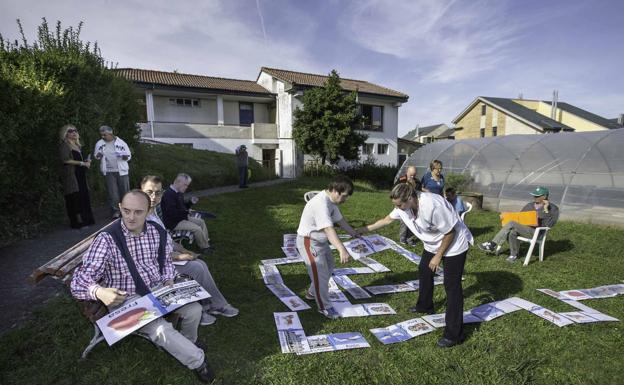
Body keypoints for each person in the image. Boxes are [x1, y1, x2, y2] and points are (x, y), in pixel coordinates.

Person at [70, 190, 215, 382]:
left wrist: (169, 278)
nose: (131, 217)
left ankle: (188, 343)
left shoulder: (156, 231)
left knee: (195, 310)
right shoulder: (107, 239)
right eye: (126, 210)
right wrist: (99, 291)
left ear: (149, 212)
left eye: (138, 212)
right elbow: (78, 281)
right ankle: (198, 361)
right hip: (127, 298)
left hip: (158, 289)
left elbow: (165, 262)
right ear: (120, 208)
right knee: (159, 329)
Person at [358, 183, 473, 348]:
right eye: (395, 205)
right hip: (432, 243)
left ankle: (455, 335)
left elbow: (450, 232)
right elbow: (386, 220)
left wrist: (438, 257)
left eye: (399, 205)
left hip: (454, 244)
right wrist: (363, 229)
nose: (397, 208)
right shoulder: (403, 207)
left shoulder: (433, 204)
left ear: (411, 198)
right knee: (424, 270)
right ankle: (425, 306)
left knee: (452, 285)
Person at [141, 175, 239, 326]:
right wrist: (180, 257)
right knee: (197, 267)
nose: (154, 197)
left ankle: (208, 305)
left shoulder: (152, 213)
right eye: (149, 192)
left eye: (158, 192)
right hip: (157, 266)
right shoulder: (140, 218)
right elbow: (149, 255)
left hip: (168, 257)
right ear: (141, 191)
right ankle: (208, 307)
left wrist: (184, 249)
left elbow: (168, 240)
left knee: (200, 264)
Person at [296, 175, 360, 319]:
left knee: (329, 267)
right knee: (320, 275)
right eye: (344, 196)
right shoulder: (321, 204)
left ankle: (312, 293)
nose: (346, 199)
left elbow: (340, 220)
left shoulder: (332, 202)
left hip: (321, 241)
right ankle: (324, 307)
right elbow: (329, 229)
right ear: (335, 191)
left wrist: (353, 232)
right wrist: (342, 249)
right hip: (308, 241)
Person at [478, 186, 559, 263]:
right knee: (512, 231)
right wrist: (507, 217)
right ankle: (514, 254)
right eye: (534, 195)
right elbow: (520, 217)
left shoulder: (553, 208)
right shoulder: (529, 205)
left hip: (537, 232)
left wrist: (546, 210)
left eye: (537, 196)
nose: (534, 197)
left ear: (544, 197)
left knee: (512, 223)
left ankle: (492, 244)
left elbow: (549, 224)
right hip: (524, 229)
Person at [161, 173, 213, 254]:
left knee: (201, 222)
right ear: (178, 182)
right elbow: (172, 213)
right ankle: (204, 248)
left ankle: (206, 243)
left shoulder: (178, 192)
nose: (186, 187)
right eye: (185, 185)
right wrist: (186, 212)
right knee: (197, 229)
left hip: (181, 218)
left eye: (187, 185)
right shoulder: (169, 194)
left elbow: (182, 206)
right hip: (173, 223)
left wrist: (190, 202)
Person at [59, 124, 95, 229]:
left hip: (81, 174)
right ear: (65, 133)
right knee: (74, 198)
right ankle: (77, 223)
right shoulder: (64, 145)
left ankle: (87, 220)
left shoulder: (78, 145)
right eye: (70, 131)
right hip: (72, 176)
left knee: (83, 196)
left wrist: (87, 162)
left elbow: (82, 160)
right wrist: (81, 163)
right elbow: (65, 160)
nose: (74, 132)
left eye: (75, 130)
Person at [94, 125, 132, 219]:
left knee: (125, 191)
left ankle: (127, 210)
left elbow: (128, 155)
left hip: (122, 170)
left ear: (110, 133)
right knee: (113, 193)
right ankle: (116, 211)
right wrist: (98, 155)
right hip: (109, 171)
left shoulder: (121, 142)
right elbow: (96, 156)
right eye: (101, 135)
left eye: (105, 134)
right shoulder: (99, 143)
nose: (103, 137)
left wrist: (124, 156)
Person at [397, 166, 420, 246]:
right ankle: (402, 239)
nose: (413, 177)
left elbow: (419, 190)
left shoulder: (416, 181)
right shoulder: (401, 179)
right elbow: (395, 191)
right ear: (407, 172)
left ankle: (409, 239)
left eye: (414, 175)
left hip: (413, 204)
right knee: (404, 222)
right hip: (403, 204)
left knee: (413, 221)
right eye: (411, 175)